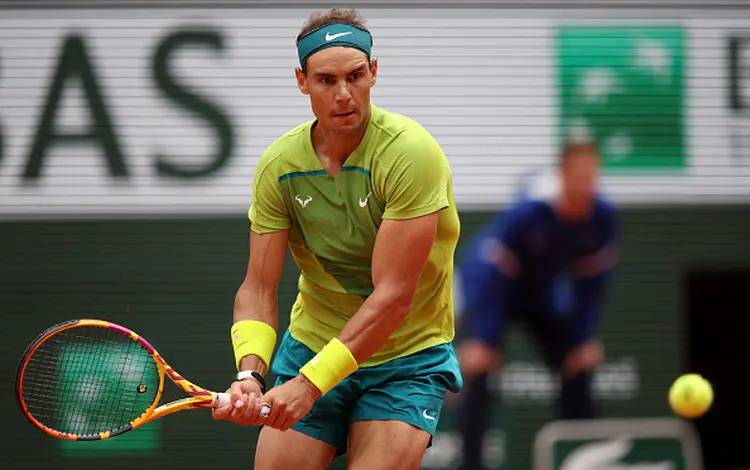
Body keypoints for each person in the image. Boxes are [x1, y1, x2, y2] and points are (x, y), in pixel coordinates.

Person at [211, 8, 463, 470]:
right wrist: (250, 374)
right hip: (313, 341)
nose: (344, 94)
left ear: (374, 73)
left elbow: (393, 297)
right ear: (302, 81)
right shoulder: (280, 166)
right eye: (326, 80)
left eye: (356, 76)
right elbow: (258, 288)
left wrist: (308, 386)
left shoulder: (410, 154)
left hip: (405, 356)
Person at [455, 141, 619, 470]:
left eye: (591, 176)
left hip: (541, 296)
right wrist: (483, 338)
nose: (585, 184)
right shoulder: (530, 212)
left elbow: (591, 287)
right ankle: (470, 465)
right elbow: (492, 271)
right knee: (480, 371)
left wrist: (581, 339)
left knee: (577, 363)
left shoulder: (602, 218)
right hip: (494, 290)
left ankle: (582, 457)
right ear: (562, 175)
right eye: (578, 176)